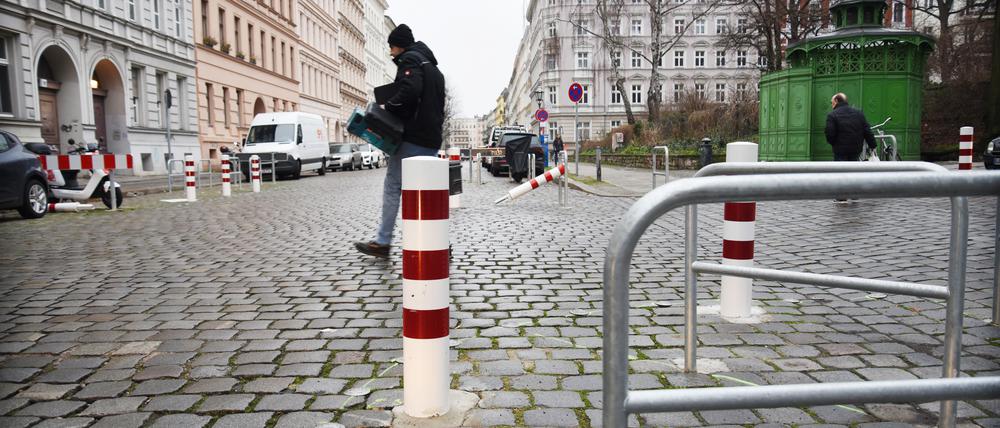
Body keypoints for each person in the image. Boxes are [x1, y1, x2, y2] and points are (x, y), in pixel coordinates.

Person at [355, 24, 446, 259]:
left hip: (412, 136)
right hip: (431, 137)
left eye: (391, 47)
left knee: (393, 186)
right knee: (426, 191)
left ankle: (383, 241)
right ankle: (438, 243)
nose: (391, 52)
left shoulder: (410, 60)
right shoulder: (434, 69)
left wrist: (388, 107)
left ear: (399, 44)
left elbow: (410, 91)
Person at [825, 92, 876, 203]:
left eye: (832, 102)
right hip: (855, 148)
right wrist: (873, 145)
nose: (831, 104)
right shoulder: (858, 113)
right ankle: (854, 193)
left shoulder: (832, 115)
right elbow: (867, 130)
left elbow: (829, 133)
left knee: (840, 172)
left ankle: (841, 196)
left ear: (837, 101)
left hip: (840, 149)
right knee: (853, 170)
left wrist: (834, 143)